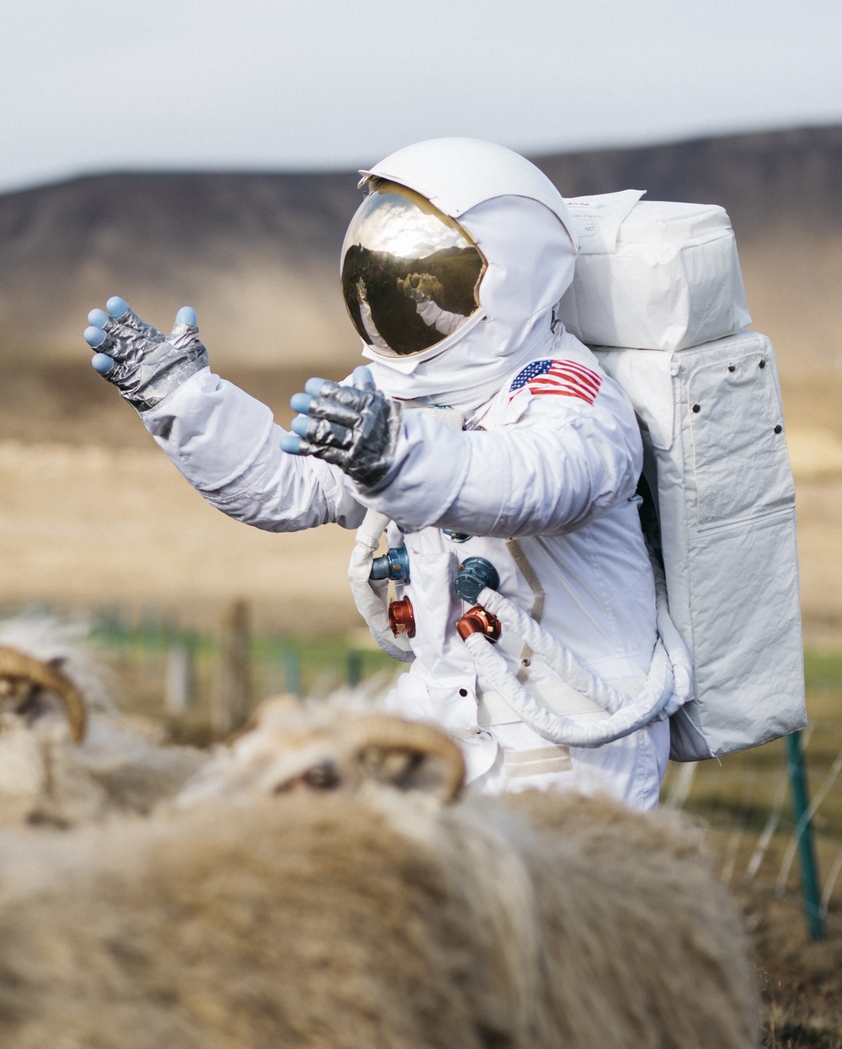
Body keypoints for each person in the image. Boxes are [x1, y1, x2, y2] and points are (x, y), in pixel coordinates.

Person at [82, 138, 677, 809]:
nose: (407, 299)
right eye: (387, 279)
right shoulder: (400, 395)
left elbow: (535, 483)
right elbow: (289, 486)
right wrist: (183, 402)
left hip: (570, 742)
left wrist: (397, 457)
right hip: (444, 722)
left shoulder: (569, 394)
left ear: (510, 277)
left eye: (432, 280)